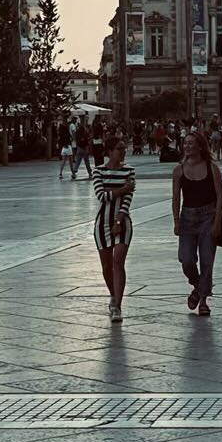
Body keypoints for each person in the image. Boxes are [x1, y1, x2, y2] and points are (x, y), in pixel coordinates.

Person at [172, 127, 222, 317]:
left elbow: (220, 195)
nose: (187, 146)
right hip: (187, 217)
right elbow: (175, 198)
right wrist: (176, 220)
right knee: (186, 259)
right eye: (185, 143)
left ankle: (203, 300)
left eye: (191, 143)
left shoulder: (212, 168)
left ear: (200, 147)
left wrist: (217, 221)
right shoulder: (179, 170)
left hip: (208, 216)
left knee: (207, 260)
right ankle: (197, 286)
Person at [91, 132, 136, 321]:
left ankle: (117, 305)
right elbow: (102, 196)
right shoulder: (98, 171)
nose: (123, 152)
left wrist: (118, 220)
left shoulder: (129, 171)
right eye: (119, 149)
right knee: (107, 265)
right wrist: (123, 189)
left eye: (124, 149)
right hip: (102, 223)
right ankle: (112, 294)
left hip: (122, 220)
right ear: (109, 151)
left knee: (118, 261)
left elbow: (128, 199)